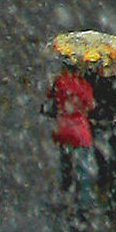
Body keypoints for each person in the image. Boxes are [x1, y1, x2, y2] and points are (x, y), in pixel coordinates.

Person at [85, 65, 116, 211]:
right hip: (110, 122)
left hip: (102, 124)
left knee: (105, 160)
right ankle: (113, 198)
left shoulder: (91, 74)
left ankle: (108, 193)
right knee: (112, 161)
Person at [46, 62, 95, 194]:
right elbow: (90, 106)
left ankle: (65, 193)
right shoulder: (84, 85)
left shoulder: (60, 81)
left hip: (63, 129)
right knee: (83, 170)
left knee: (65, 165)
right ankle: (83, 202)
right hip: (81, 132)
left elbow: (50, 99)